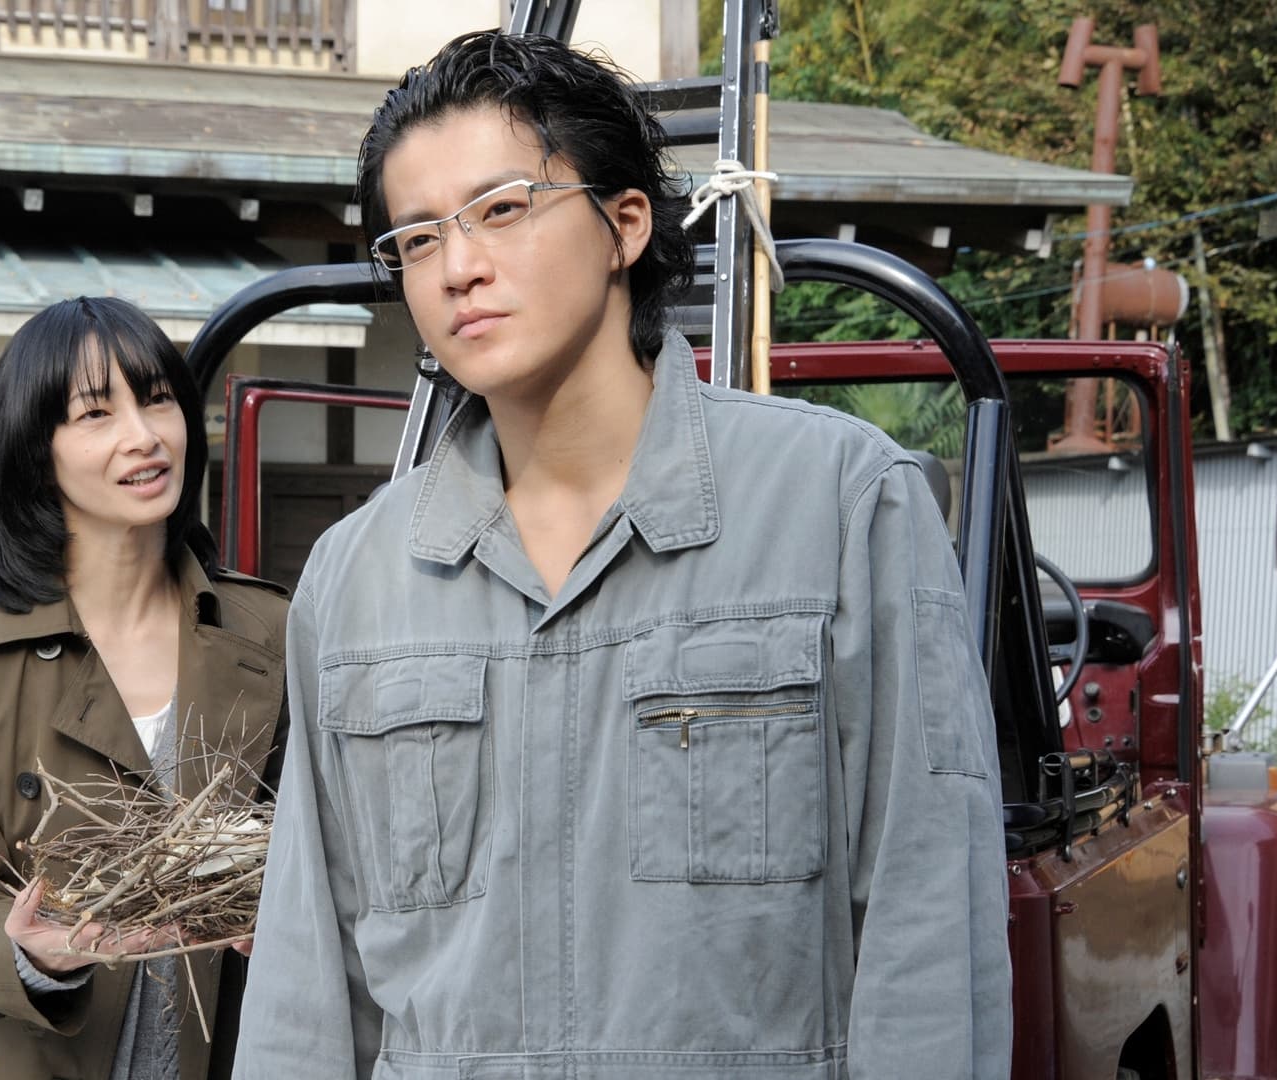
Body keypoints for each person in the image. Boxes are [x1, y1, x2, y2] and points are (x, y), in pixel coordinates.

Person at [235, 30, 1010, 1080]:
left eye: (501, 209)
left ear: (625, 225)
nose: (458, 267)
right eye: (416, 239)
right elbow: (305, 982)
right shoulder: (356, 578)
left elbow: (928, 924)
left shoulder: (838, 504)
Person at [0, 295, 289, 1080]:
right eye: (97, 413)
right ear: (36, 450)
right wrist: (32, 955)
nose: (144, 436)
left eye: (158, 400)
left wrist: (284, 909)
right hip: (28, 1056)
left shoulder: (269, 632)